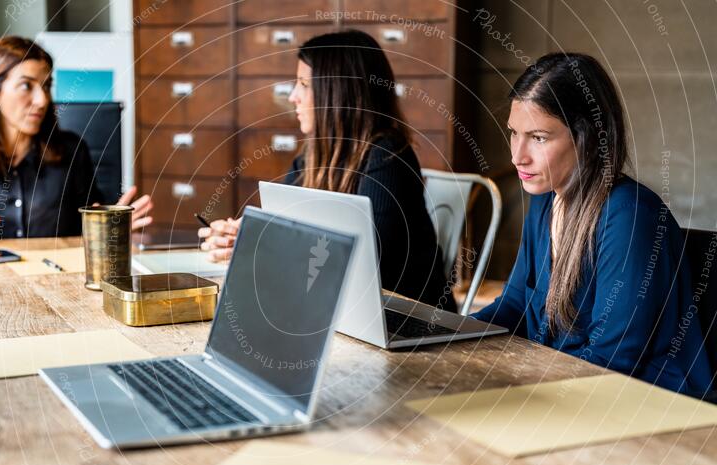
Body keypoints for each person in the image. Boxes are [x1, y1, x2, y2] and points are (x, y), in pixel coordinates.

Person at [473, 53, 712, 398]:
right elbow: (514, 306)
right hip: (571, 391)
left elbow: (612, 358)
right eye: (514, 133)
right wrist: (452, 337)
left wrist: (523, 385)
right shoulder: (545, 199)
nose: (517, 156)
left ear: (586, 137)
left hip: (648, 406)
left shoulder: (630, 216)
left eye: (538, 138)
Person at [199, 30, 450, 309]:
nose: (293, 96)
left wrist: (262, 248)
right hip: (339, 309)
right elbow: (285, 231)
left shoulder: (388, 156)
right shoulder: (312, 156)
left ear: (338, 93)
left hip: (404, 316)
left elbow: (363, 263)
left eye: (304, 85)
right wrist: (242, 238)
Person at [0, 36, 152, 242]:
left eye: (45, 86)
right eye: (27, 85)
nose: (42, 99)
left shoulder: (72, 151)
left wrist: (109, 229)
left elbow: (91, 227)